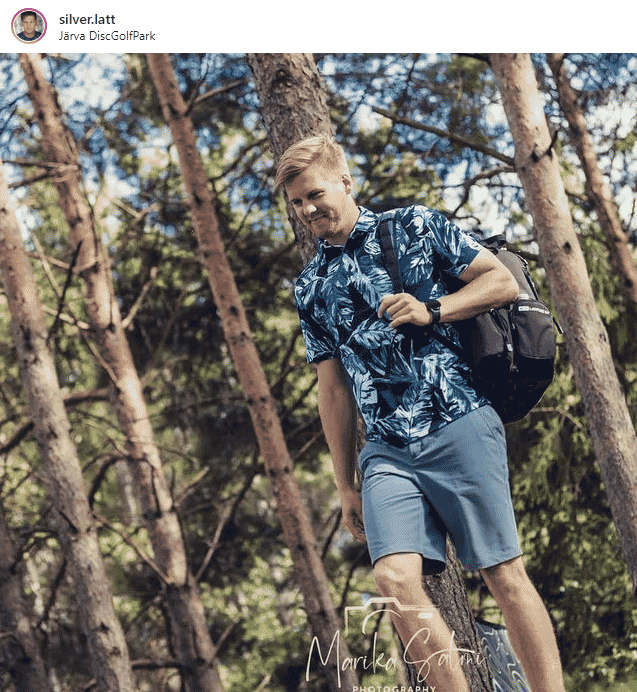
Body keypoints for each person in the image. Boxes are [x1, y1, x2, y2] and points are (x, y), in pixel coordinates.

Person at [276, 133, 566, 692]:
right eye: (297, 202)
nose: (308, 210)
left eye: (315, 194)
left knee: (503, 574)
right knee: (394, 578)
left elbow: (502, 281)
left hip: (457, 419)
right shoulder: (310, 286)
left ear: (344, 183)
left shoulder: (411, 225)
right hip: (386, 450)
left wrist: (434, 308)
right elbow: (332, 389)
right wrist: (344, 483)